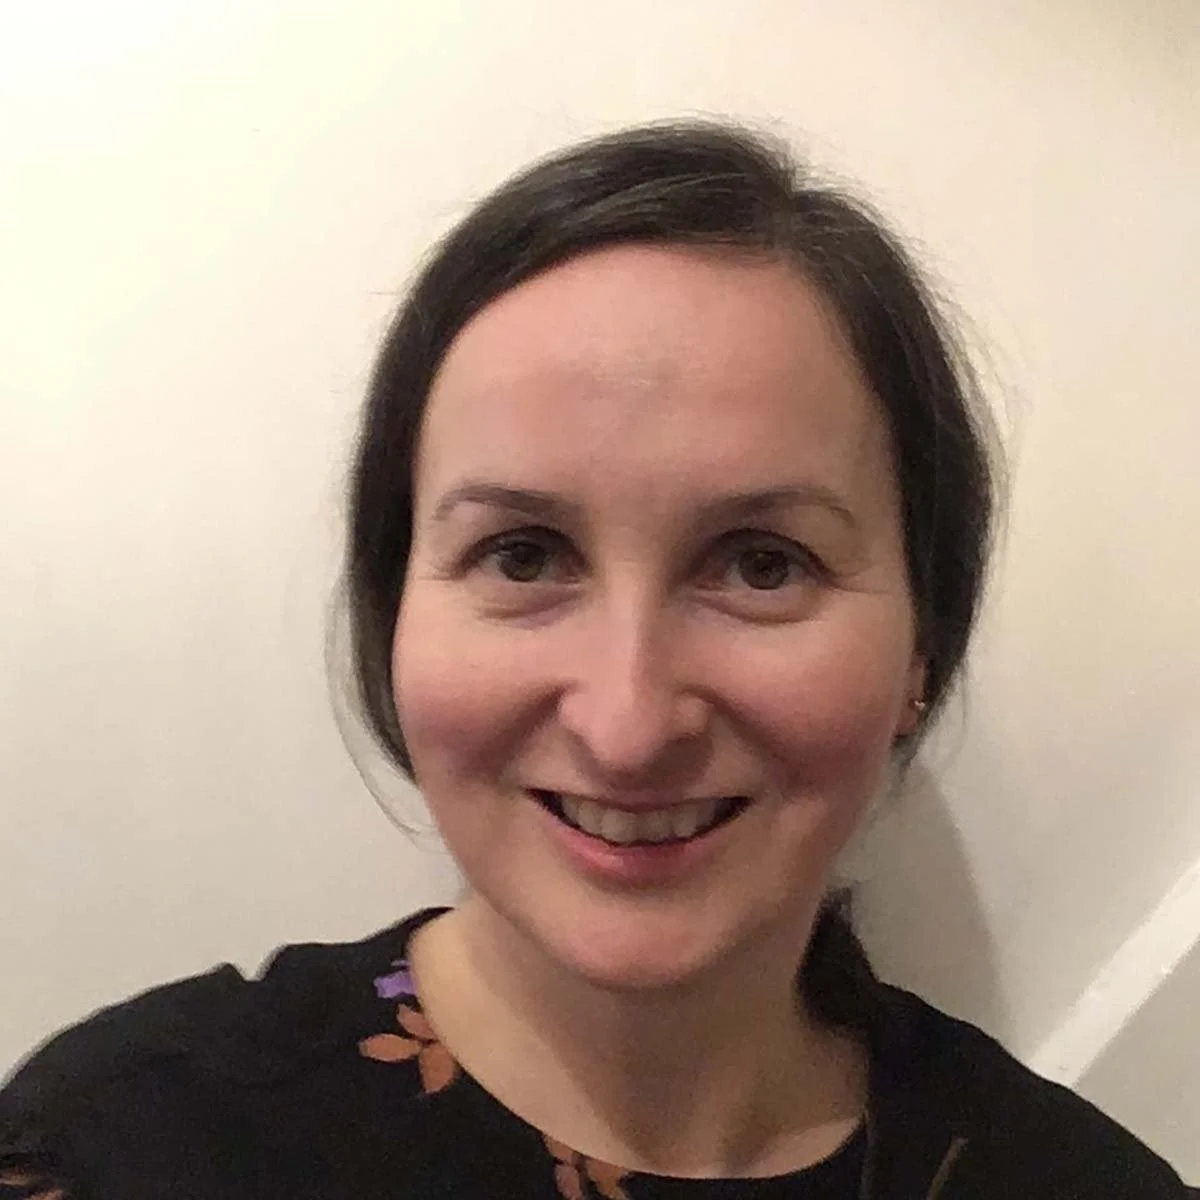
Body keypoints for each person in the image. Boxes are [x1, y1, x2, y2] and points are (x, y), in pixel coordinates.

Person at [0, 120, 1191, 1199]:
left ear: (922, 650)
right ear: (393, 611)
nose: (627, 724)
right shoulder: (123, 1148)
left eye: (763, 565)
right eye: (523, 556)